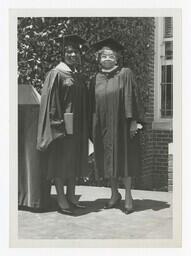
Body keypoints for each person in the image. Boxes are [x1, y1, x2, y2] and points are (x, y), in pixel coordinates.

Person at [89, 38, 143, 214]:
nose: (107, 58)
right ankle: (114, 194)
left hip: (122, 126)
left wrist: (134, 121)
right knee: (107, 161)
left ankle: (128, 195)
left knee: (125, 160)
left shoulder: (125, 74)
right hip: (103, 127)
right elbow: (91, 105)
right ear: (98, 58)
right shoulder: (95, 79)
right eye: (103, 55)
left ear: (117, 58)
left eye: (111, 55)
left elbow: (133, 98)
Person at [37, 34, 89, 215]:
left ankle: (72, 195)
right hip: (62, 128)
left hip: (78, 128)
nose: (73, 55)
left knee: (74, 160)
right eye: (69, 52)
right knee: (60, 163)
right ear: (63, 54)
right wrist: (57, 126)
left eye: (75, 52)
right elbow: (51, 103)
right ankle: (60, 196)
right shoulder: (55, 74)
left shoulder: (78, 76)